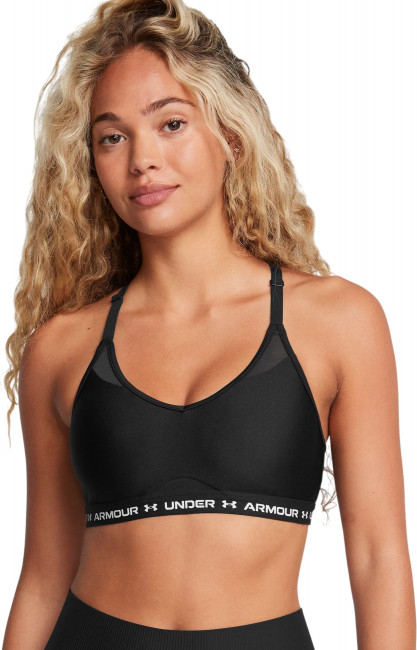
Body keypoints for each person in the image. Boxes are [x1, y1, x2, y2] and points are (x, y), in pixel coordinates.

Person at [2, 0, 415, 648]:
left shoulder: (338, 322)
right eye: (112, 137)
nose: (142, 159)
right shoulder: (60, 349)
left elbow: (378, 560)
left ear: (230, 134)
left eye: (170, 124)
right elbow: (43, 577)